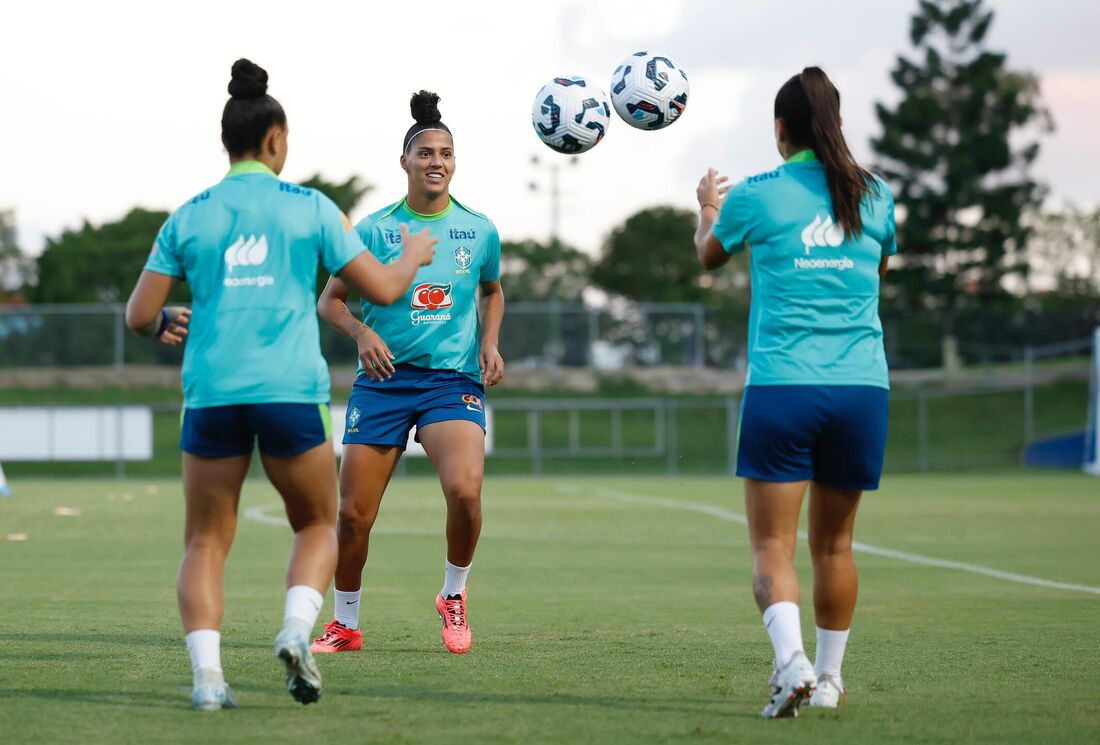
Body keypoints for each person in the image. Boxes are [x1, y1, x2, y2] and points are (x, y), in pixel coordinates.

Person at [124, 59, 436, 711]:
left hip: (212, 394)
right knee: (319, 522)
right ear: (274, 140)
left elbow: (139, 314)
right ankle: (296, 628)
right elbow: (381, 288)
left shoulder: (189, 215)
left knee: (206, 540)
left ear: (227, 141)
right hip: (290, 392)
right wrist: (412, 254)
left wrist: (162, 327)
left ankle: (209, 678)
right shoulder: (311, 208)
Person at [692, 67, 896, 718]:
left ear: (781, 130)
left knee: (771, 549)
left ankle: (792, 663)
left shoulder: (758, 194)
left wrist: (707, 209)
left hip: (784, 388)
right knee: (835, 545)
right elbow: (879, 267)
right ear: (835, 124)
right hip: (862, 390)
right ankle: (830, 681)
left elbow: (708, 256)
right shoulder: (878, 197)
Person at [310, 90, 504, 657]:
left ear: (454, 162)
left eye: (445, 153)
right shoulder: (373, 229)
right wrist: (363, 334)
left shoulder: (479, 229)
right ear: (405, 163)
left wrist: (490, 342)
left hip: (450, 381)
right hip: (385, 382)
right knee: (352, 516)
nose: (436, 161)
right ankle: (346, 624)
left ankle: (454, 594)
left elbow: (493, 293)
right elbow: (331, 302)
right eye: (425, 153)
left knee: (465, 492)